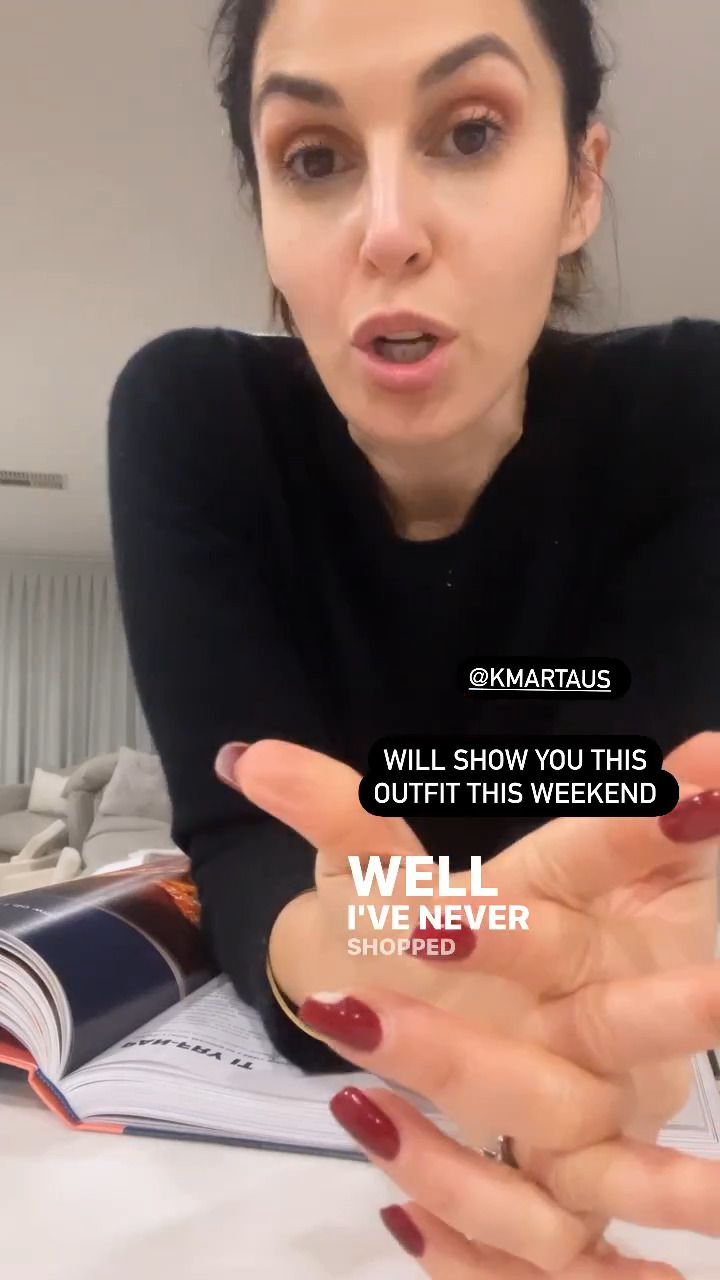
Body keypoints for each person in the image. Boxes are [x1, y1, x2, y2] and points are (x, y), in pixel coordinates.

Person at [107, 0, 720, 1270]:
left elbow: (631, 839)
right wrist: (348, 951)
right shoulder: (196, 422)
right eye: (315, 157)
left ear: (581, 183)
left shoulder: (694, 416)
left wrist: (601, 1001)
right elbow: (246, 843)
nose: (387, 230)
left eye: (470, 131)